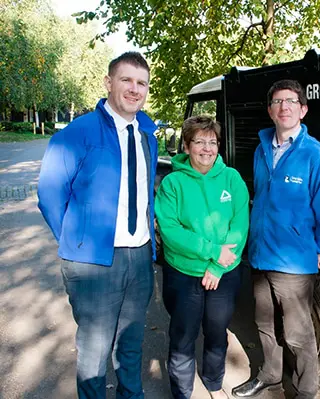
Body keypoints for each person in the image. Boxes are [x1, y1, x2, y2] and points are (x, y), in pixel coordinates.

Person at [37, 52, 158, 398]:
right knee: (94, 351)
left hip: (138, 259)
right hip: (93, 264)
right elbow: (49, 194)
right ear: (108, 83)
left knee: (131, 346)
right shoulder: (78, 132)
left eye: (141, 83)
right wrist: (75, 243)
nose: (134, 89)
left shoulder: (147, 133)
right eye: (126, 80)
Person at [232, 80, 320, 399]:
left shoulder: (314, 155)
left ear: (303, 109)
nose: (284, 107)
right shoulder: (262, 147)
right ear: (270, 111)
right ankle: (269, 375)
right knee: (265, 324)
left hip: (293, 261)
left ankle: (305, 392)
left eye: (291, 101)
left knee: (298, 335)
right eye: (278, 102)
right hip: (260, 254)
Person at [155, 116, 249, 399]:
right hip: (183, 275)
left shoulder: (232, 179)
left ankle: (212, 382)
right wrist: (212, 252)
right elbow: (171, 231)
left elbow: (239, 226)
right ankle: (182, 392)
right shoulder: (173, 183)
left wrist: (217, 267)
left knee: (217, 332)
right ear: (186, 145)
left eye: (212, 142)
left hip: (223, 272)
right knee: (183, 336)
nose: (207, 149)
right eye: (199, 142)